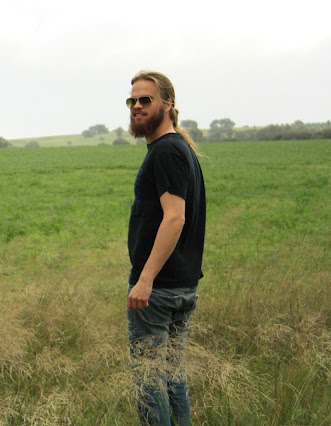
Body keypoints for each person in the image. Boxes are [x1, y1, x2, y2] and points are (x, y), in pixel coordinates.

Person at [125, 70, 206, 425]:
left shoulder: (166, 151)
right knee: (173, 379)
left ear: (168, 104)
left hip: (157, 292)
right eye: (132, 101)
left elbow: (174, 219)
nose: (137, 106)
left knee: (150, 382)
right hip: (179, 286)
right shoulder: (178, 149)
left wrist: (145, 280)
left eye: (146, 99)